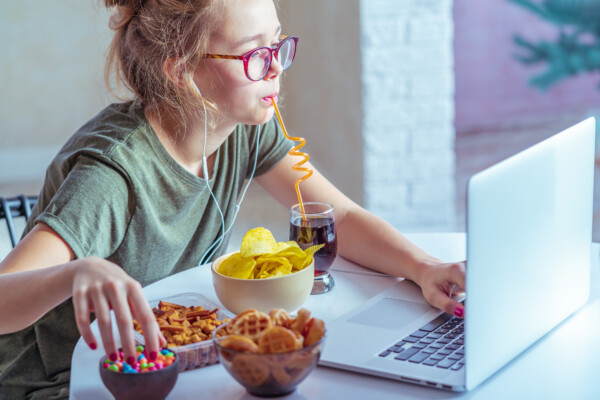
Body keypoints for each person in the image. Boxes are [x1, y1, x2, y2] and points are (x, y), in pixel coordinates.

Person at [0, 0, 466, 398]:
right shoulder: (112, 175)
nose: (277, 67)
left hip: (164, 365)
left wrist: (424, 268)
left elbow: (337, 215)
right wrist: (77, 272)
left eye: (278, 45)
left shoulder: (241, 128)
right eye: (255, 55)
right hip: (68, 382)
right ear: (182, 70)